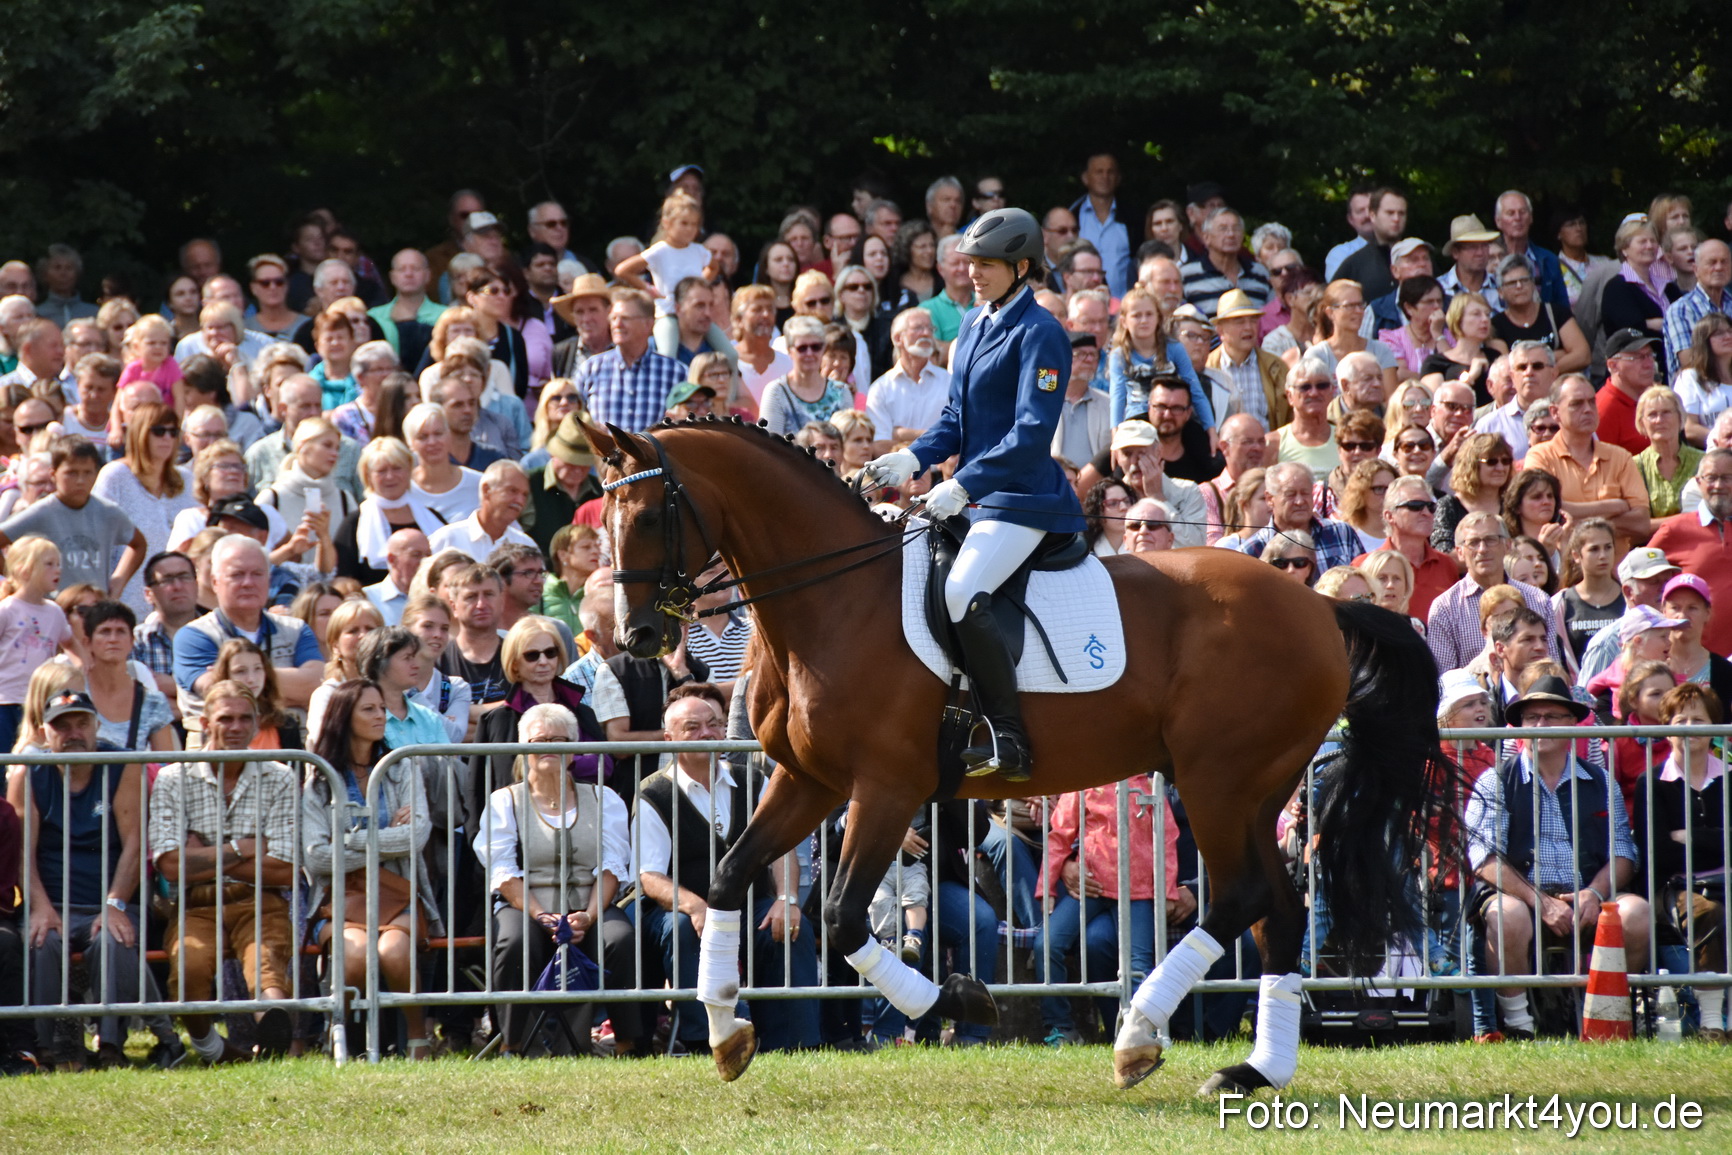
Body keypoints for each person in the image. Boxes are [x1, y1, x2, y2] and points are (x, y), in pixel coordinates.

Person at [632, 684, 820, 1054]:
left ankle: (794, 1045)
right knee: (685, 928)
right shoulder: (652, 792)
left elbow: (781, 849)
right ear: (669, 738)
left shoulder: (754, 779)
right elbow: (650, 876)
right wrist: (697, 907)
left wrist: (786, 897)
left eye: (714, 724)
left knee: (788, 922)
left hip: (750, 905)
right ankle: (708, 1042)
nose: (707, 733)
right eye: (692, 727)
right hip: (677, 910)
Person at [1465, 675, 1650, 1039]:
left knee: (1636, 913)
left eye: (1552, 716)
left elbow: (1623, 855)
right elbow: (1484, 858)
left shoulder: (1602, 782)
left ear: (1572, 724)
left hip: (1586, 891)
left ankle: (1613, 1019)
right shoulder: (1495, 780)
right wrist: (1542, 902)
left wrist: (1594, 894)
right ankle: (1519, 1028)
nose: (1541, 725)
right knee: (1507, 915)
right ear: (1518, 726)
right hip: (1521, 894)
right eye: (1532, 717)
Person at [474, 702, 643, 1056]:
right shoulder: (505, 801)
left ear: (573, 747)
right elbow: (503, 872)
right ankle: (512, 1043)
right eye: (539, 740)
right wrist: (541, 916)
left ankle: (628, 1043)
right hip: (526, 905)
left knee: (620, 938)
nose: (549, 746)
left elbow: (611, 867)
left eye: (558, 739)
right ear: (523, 747)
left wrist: (591, 915)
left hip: (590, 902)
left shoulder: (603, 797)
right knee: (515, 942)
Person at [148, 680, 299, 1063]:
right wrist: (243, 848)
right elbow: (169, 863)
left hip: (261, 901)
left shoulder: (279, 775)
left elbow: (284, 870)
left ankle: (275, 1033)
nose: (234, 727)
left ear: (256, 724)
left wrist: (201, 856)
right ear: (203, 722)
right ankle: (212, 1048)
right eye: (225, 718)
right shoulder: (173, 777)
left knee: (267, 963)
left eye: (244, 718)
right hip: (196, 905)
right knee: (189, 964)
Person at [301, 679, 441, 1060]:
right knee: (356, 952)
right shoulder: (317, 779)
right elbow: (315, 856)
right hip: (339, 897)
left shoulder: (401, 765)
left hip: (397, 890)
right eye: (369, 709)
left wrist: (350, 841)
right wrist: (383, 837)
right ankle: (340, 1034)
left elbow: (416, 836)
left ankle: (417, 1039)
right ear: (344, 718)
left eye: (382, 707)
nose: (381, 716)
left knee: (394, 951)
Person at [6, 691, 144, 1071]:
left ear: (97, 725)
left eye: (82, 722)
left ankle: (111, 1048)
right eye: (62, 725)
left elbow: (134, 843)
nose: (74, 732)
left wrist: (115, 904)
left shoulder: (122, 765)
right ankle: (43, 1050)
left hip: (108, 900)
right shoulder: (27, 772)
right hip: (52, 902)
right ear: (42, 732)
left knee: (114, 939)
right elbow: (23, 852)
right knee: (40, 941)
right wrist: (40, 907)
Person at [1030, 775, 1183, 1047]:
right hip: (1092, 887)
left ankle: (1141, 1034)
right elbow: (1059, 836)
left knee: (1139, 966)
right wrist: (1047, 887)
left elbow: (1167, 840)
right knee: (1047, 944)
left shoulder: (1150, 785)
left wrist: (1168, 889)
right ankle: (1060, 1027)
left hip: (1138, 891)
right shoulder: (1086, 783)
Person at [1632, 682, 1731, 1041]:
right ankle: (1712, 1024)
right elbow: (1658, 849)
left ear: (1714, 726)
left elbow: (1679, 841)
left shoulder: (1730, 779)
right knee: (1707, 912)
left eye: (1699, 719)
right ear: (1666, 726)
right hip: (1676, 886)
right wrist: (1720, 837)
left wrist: (1689, 836)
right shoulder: (1652, 783)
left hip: (1728, 879)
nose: (1689, 728)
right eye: (1681, 719)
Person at [172, 535, 323, 747]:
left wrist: (236, 674)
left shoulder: (297, 629)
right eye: (237, 574)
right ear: (215, 582)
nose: (248, 583)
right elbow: (219, 691)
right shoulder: (193, 636)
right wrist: (291, 691)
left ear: (269, 579)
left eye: (257, 574)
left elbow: (315, 685)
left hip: (290, 753)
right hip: (218, 762)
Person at [0, 435, 147, 599]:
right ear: (53, 474)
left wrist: (118, 581)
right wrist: (18, 579)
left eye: (87, 473)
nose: (80, 480)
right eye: (71, 473)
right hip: (55, 608)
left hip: (96, 608)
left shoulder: (108, 512)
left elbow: (138, 544)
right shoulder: (41, 512)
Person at [1523, 375, 1651, 553]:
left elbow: (1641, 523)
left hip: (1616, 574)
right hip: (1563, 570)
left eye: (1592, 402)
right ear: (1555, 412)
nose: (1588, 410)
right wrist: (1614, 506)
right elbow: (1547, 513)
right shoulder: (1540, 456)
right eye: (1577, 404)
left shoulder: (1620, 457)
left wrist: (1575, 518)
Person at [1426, 512, 1558, 673]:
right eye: (1473, 542)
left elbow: (1552, 667)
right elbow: (1443, 679)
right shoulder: (1445, 607)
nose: (1482, 549)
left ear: (1508, 546)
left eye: (1490, 540)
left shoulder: (1538, 599)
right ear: (1460, 552)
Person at [1649, 450, 1732, 655]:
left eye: (1727, 478)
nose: (1718, 486)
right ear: (1698, 482)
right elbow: (1638, 575)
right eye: (1711, 478)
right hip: (1694, 658)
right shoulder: (1675, 529)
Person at [572, 289, 684, 434]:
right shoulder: (590, 369)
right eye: (613, 318)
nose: (617, 325)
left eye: (625, 318)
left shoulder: (676, 372)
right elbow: (573, 418)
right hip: (604, 456)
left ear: (648, 324)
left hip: (653, 456)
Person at [0, 537, 71, 752]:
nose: (57, 570)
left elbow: (71, 644)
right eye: (49, 564)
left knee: (35, 758)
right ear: (24, 569)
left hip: (40, 702)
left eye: (58, 564)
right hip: (5, 700)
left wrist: (80, 669)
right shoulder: (7, 609)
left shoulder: (55, 611)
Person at [77, 600, 178, 752]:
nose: (113, 639)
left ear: (132, 641)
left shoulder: (153, 702)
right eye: (105, 631)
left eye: (121, 631)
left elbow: (166, 767)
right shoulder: (75, 694)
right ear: (87, 642)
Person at [1354, 474, 1457, 619]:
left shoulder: (1447, 565)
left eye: (1431, 507)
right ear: (1390, 516)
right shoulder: (1363, 565)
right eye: (1415, 506)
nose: (1426, 513)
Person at [1235, 461, 1363, 572]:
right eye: (1290, 494)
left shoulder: (1341, 534)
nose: (1300, 501)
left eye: (1305, 493)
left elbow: (1365, 585)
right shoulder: (1251, 552)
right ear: (1270, 499)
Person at [759, 316, 852, 436]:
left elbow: (847, 443)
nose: (809, 353)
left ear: (823, 348)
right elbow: (769, 445)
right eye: (802, 348)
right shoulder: (776, 392)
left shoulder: (841, 392)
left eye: (815, 347)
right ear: (790, 350)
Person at [428, 460, 534, 562]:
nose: (520, 501)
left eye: (524, 495)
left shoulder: (526, 545)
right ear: (487, 490)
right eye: (512, 491)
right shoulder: (448, 540)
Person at [401, 594, 472, 744]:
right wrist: (442, 719)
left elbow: (453, 737)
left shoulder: (456, 687)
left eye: (444, 628)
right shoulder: (387, 683)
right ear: (406, 630)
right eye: (428, 626)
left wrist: (412, 694)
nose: (438, 635)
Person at [208, 638, 304, 749]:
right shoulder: (213, 722)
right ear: (226, 675)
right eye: (240, 671)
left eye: (258, 669)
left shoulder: (285, 724)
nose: (251, 679)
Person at [1431, 432, 1514, 551]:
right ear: (1471, 465)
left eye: (1506, 461)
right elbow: (1444, 555)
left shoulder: (1513, 505)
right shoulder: (1448, 506)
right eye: (1491, 461)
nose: (1500, 468)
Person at [1663, 240, 1732, 383]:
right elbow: (1691, 362)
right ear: (1696, 269)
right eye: (1712, 262)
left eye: (1724, 262)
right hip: (1698, 394)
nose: (1719, 267)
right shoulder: (1681, 310)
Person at [403, 402, 482, 525]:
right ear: (410, 443)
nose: (432, 442)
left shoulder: (479, 483)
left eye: (438, 434)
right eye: (423, 437)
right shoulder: (403, 489)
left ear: (449, 435)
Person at [1599, 216, 1672, 347]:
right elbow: (1631, 329)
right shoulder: (1616, 288)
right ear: (1624, 249)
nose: (1649, 246)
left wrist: (1654, 323)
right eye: (1642, 242)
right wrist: (1667, 324)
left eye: (1653, 241)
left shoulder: (1668, 285)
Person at [1633, 385, 1701, 520]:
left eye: (1666, 412)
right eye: (1652, 414)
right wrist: (1683, 520)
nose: (1659, 420)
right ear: (1642, 423)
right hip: (1652, 541)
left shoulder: (1703, 462)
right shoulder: (1633, 466)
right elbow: (1636, 525)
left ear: (1681, 418)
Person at [1673, 314, 1732, 446]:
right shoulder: (1690, 378)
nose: (1728, 336)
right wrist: (1724, 441)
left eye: (1730, 331)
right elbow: (1689, 429)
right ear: (1704, 341)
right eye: (1718, 333)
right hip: (1710, 456)